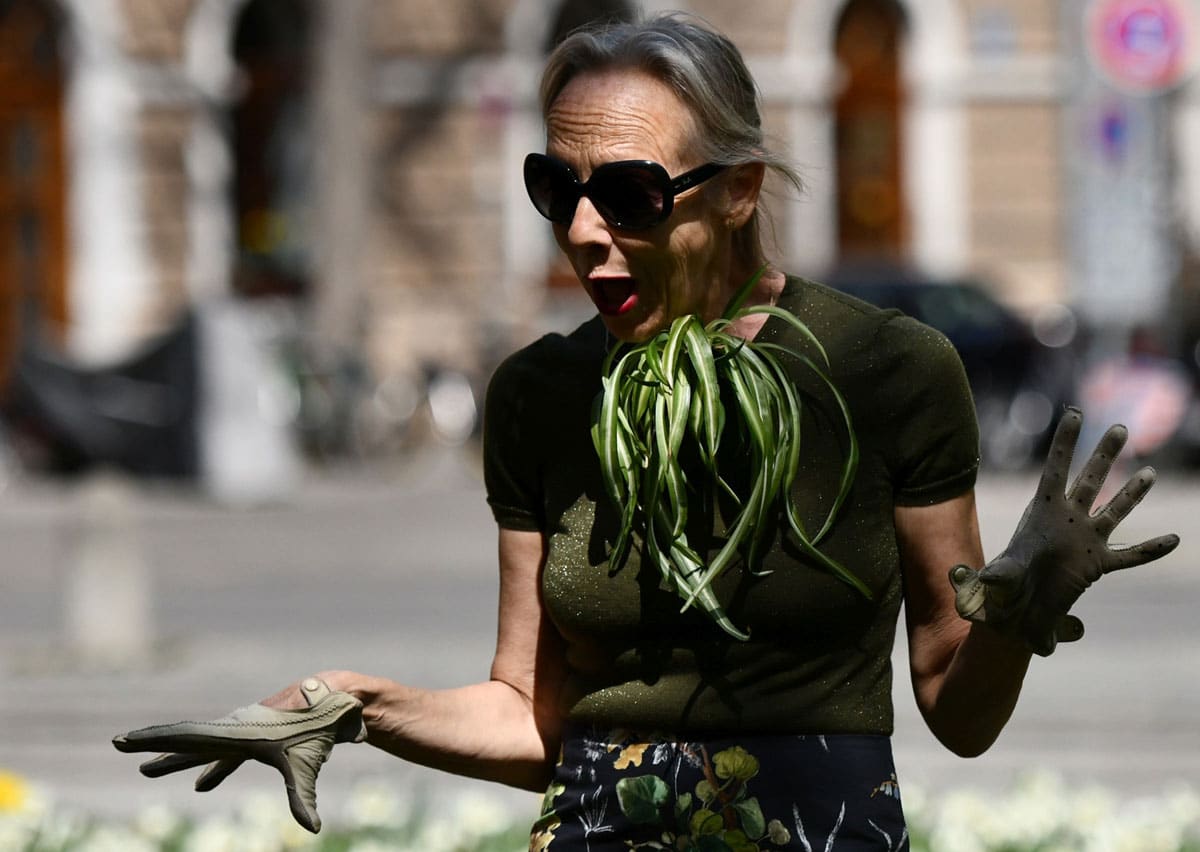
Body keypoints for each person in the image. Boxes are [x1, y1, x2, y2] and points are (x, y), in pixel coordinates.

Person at [114, 13, 1179, 849]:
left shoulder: (887, 369)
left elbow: (955, 708)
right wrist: (353, 703)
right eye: (557, 189)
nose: (583, 231)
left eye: (627, 194)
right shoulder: (538, 394)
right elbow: (536, 717)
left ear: (738, 191)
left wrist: (1021, 608)